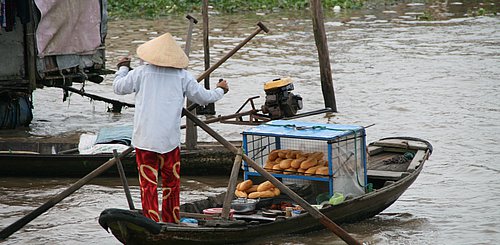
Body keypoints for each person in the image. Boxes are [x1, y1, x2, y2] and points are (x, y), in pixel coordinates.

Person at [113, 33, 229, 223]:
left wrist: (123, 68)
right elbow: (204, 98)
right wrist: (221, 90)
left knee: (148, 185)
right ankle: (170, 221)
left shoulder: (141, 72)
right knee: (171, 184)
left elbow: (118, 87)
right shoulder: (183, 76)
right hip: (169, 141)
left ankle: (150, 223)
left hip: (145, 140)